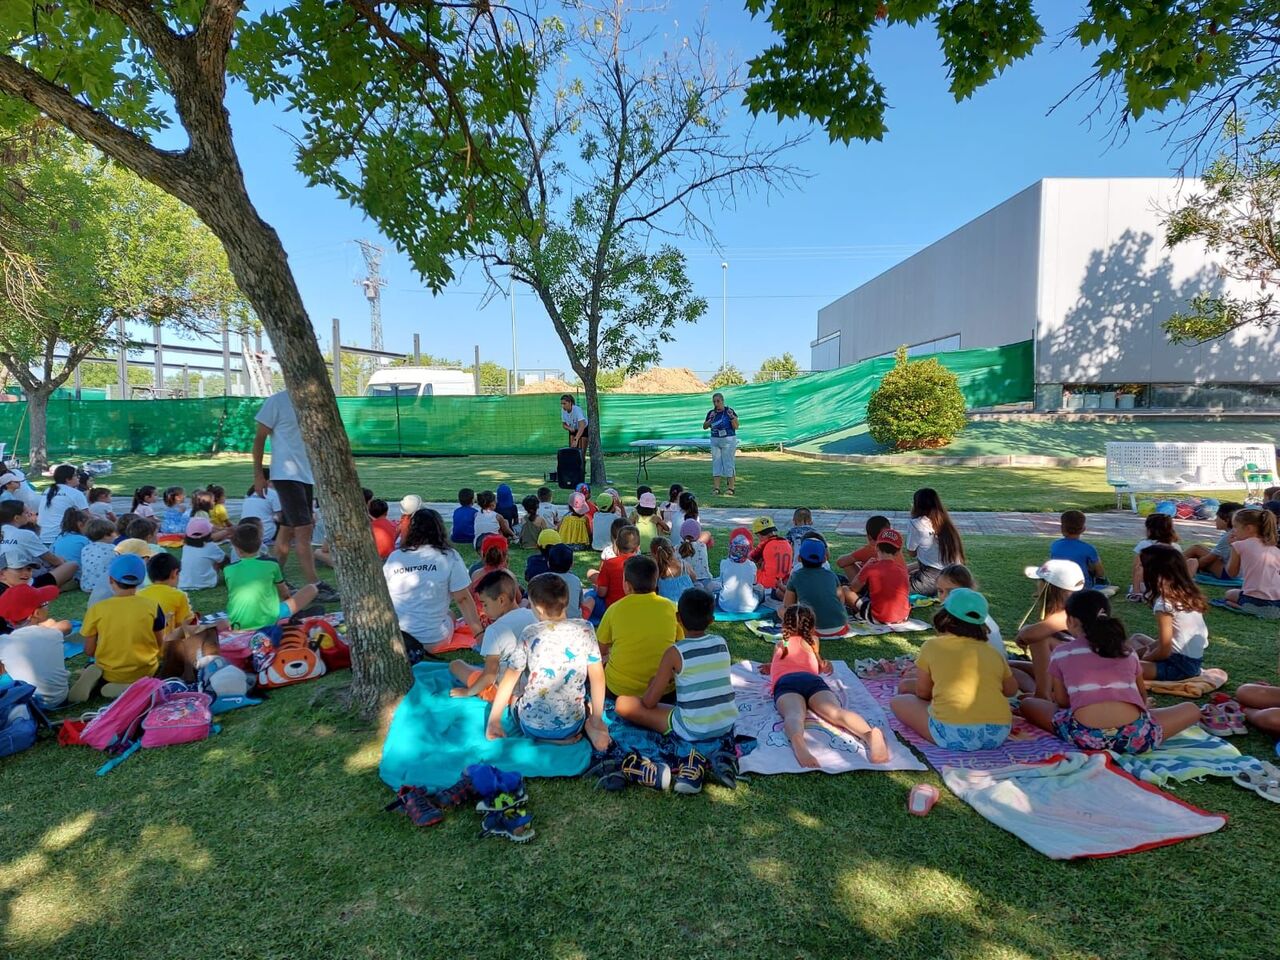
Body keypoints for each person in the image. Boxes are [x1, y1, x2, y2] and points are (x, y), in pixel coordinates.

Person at [1019, 590, 1201, 751]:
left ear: (1071, 621)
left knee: (1028, 704)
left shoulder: (1061, 653)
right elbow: (1142, 698)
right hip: (1137, 736)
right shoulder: (1128, 652)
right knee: (1191, 709)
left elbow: (1063, 702)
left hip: (1083, 735)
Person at [614, 587, 739, 789]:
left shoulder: (674, 652)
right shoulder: (721, 642)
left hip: (692, 727)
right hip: (725, 723)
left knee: (623, 703)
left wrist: (653, 683)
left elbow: (649, 702)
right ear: (712, 620)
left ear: (678, 618)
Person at [486, 573, 609, 749]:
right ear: (566, 601)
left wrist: (494, 720)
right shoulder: (586, 629)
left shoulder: (529, 633)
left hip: (531, 726)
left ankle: (545, 739)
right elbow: (598, 677)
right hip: (573, 725)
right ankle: (589, 729)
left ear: (539, 609)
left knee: (515, 697)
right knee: (587, 703)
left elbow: (510, 678)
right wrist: (596, 719)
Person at [760, 604, 889, 768]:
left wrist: (770, 667)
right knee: (836, 712)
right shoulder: (813, 641)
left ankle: (799, 742)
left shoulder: (780, 644)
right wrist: (825, 664)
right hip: (812, 681)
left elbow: (778, 665)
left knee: (794, 715)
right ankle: (869, 734)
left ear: (785, 625)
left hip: (787, 683)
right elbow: (819, 665)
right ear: (812, 626)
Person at [890, 589, 1017, 751]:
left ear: (944, 617)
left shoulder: (932, 646)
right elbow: (1011, 690)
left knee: (898, 702)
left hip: (952, 733)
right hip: (998, 733)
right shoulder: (991, 651)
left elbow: (923, 692)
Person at [252, 389, 338, 603]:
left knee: (287, 532)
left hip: (305, 476)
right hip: (286, 475)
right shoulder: (277, 401)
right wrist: (259, 475)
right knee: (304, 530)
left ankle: (271, 581)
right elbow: (260, 439)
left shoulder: (314, 403)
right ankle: (315, 586)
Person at [383, 508, 484, 661]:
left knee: (445, 613)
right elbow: (463, 598)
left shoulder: (395, 557)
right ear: (440, 529)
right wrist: (479, 634)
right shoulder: (449, 556)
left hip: (398, 638)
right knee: (450, 614)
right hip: (432, 640)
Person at [73, 554, 167, 699]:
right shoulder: (153, 606)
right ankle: (135, 686)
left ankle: (96, 678)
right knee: (149, 672)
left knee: (96, 667)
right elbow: (161, 643)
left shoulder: (97, 609)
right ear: (141, 580)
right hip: (147, 669)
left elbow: (89, 650)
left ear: (110, 579)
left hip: (110, 671)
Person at [598, 555, 683, 698]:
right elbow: (680, 644)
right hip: (663, 691)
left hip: (619, 690)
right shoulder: (671, 607)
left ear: (627, 585)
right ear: (655, 582)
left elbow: (600, 650)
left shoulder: (614, 609)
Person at [449, 570, 538, 701]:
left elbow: (490, 675)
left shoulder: (494, 630)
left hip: (506, 693)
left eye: (485, 604)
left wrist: (468, 692)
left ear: (501, 600)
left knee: (455, 665)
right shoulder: (533, 615)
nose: (483, 609)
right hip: (535, 685)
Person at [1130, 545, 1209, 681]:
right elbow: (1165, 640)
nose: (1138, 569)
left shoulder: (1165, 604)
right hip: (1189, 660)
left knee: (1125, 667)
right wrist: (1146, 650)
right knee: (1137, 638)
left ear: (1154, 572)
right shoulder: (1187, 594)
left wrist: (1145, 658)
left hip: (1179, 665)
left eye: (1141, 566)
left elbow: (1164, 650)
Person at [224, 523, 319, 631]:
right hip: (269, 618)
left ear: (237, 549)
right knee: (312, 588)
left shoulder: (228, 570)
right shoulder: (271, 564)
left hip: (239, 622)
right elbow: (284, 592)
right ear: (260, 544)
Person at [1014, 559, 1085, 698]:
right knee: (1009, 667)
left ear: (1047, 587)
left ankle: (1043, 696)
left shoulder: (1067, 615)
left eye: (1039, 580)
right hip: (1073, 670)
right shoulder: (1081, 607)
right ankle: (1039, 693)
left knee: (1039, 639)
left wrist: (1023, 634)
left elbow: (1029, 635)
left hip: (1077, 681)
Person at [0, 583, 68, 709]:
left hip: (26, 702)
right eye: (45, 603)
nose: (48, 605)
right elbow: (66, 626)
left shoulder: (3, 642)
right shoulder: (53, 634)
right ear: (36, 613)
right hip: (60, 698)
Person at [783, 538, 854, 637]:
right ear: (824, 558)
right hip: (841, 626)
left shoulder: (796, 576)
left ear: (799, 558)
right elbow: (841, 601)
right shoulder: (832, 575)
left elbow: (788, 606)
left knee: (780, 611)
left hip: (811, 629)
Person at [0, 500, 77, 587]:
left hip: (5, 580)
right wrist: (62, 562)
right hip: (23, 583)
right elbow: (53, 560)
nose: (31, 514)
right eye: (27, 513)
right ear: (17, 518)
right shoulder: (24, 534)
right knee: (72, 565)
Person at [905, 488, 965, 596]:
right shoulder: (946, 522)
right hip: (955, 576)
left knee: (896, 584)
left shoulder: (917, 524)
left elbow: (911, 553)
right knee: (905, 570)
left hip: (933, 578)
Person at [848, 529, 911, 626]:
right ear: (898, 552)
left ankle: (857, 612)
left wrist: (864, 568)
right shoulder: (902, 570)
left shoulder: (871, 567)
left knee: (845, 590)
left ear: (877, 547)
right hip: (903, 616)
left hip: (878, 617)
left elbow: (854, 588)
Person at [1224, 507, 1280, 613]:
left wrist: (1232, 547)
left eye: (1235, 527)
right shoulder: (1275, 550)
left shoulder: (1239, 545)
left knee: (1230, 593)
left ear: (1249, 528)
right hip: (1277, 600)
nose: (1233, 531)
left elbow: (1231, 573)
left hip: (1252, 599)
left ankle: (1245, 606)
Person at [1129, 512, 1185, 599]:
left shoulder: (1144, 544)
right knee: (1191, 563)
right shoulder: (1176, 547)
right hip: (1169, 586)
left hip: (1146, 586)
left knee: (1139, 567)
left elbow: (1136, 567)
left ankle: (1136, 592)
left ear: (1150, 529)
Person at [1049, 510, 1108, 590]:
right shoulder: (1088, 548)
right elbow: (1100, 573)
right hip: (1082, 587)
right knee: (1102, 582)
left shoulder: (1055, 545)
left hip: (1059, 585)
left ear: (1062, 528)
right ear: (1083, 528)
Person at [139, 551, 196, 633]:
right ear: (174, 573)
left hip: (144, 642)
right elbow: (185, 624)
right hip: (167, 643)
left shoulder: (138, 594)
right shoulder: (179, 595)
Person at [1184, 501, 1241, 579]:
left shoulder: (1229, 536)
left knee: (1196, 548)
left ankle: (1174, 566)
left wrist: (1194, 563)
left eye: (1217, 517)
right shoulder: (1239, 533)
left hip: (1228, 574)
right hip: (1238, 571)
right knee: (1200, 549)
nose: (1215, 520)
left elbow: (1207, 560)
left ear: (1226, 519)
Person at [36, 464, 88, 546]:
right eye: (75, 475)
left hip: (42, 537)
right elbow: (87, 517)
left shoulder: (47, 490)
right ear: (68, 479)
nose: (78, 477)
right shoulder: (75, 494)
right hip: (60, 538)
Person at [702, 391, 739, 496]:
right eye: (714, 401)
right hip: (715, 439)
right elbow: (704, 426)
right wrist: (710, 420)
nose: (716, 403)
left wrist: (732, 417)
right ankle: (716, 488)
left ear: (722, 401)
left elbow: (736, 426)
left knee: (728, 463)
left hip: (728, 439)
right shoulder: (711, 413)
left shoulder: (729, 411)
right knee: (716, 463)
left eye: (718, 401)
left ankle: (731, 488)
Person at [595, 524, 640, 610]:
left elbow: (601, 593)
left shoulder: (609, 564)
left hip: (613, 609)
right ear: (638, 548)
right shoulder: (645, 564)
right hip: (638, 608)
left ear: (617, 545)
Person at [178, 517, 228, 591]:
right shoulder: (211, 546)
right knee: (220, 560)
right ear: (209, 534)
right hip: (206, 584)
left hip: (183, 583)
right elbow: (226, 561)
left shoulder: (186, 547)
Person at [749, 517, 794, 599]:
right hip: (785, 583)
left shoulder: (764, 544)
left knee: (749, 570)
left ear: (759, 535)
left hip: (767, 585)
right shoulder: (787, 543)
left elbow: (750, 558)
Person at [718, 534, 763, 613]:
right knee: (760, 589)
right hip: (749, 607)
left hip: (725, 606)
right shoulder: (752, 565)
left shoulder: (724, 563)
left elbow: (721, 583)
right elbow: (754, 583)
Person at [78, 517, 118, 596]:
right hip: (106, 587)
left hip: (86, 586)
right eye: (114, 533)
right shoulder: (114, 548)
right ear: (106, 535)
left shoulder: (85, 548)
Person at [239, 475, 281, 545]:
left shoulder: (250, 494)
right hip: (264, 533)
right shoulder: (273, 494)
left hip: (244, 533)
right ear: (268, 481)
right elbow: (280, 518)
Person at [652, 537, 695, 603]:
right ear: (673, 549)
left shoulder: (656, 571)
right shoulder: (685, 565)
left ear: (654, 554)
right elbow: (694, 579)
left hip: (668, 609)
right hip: (689, 606)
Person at [678, 518, 715, 589]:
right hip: (705, 580)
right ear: (698, 534)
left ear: (681, 533)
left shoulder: (676, 548)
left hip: (686, 581)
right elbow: (707, 535)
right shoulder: (702, 546)